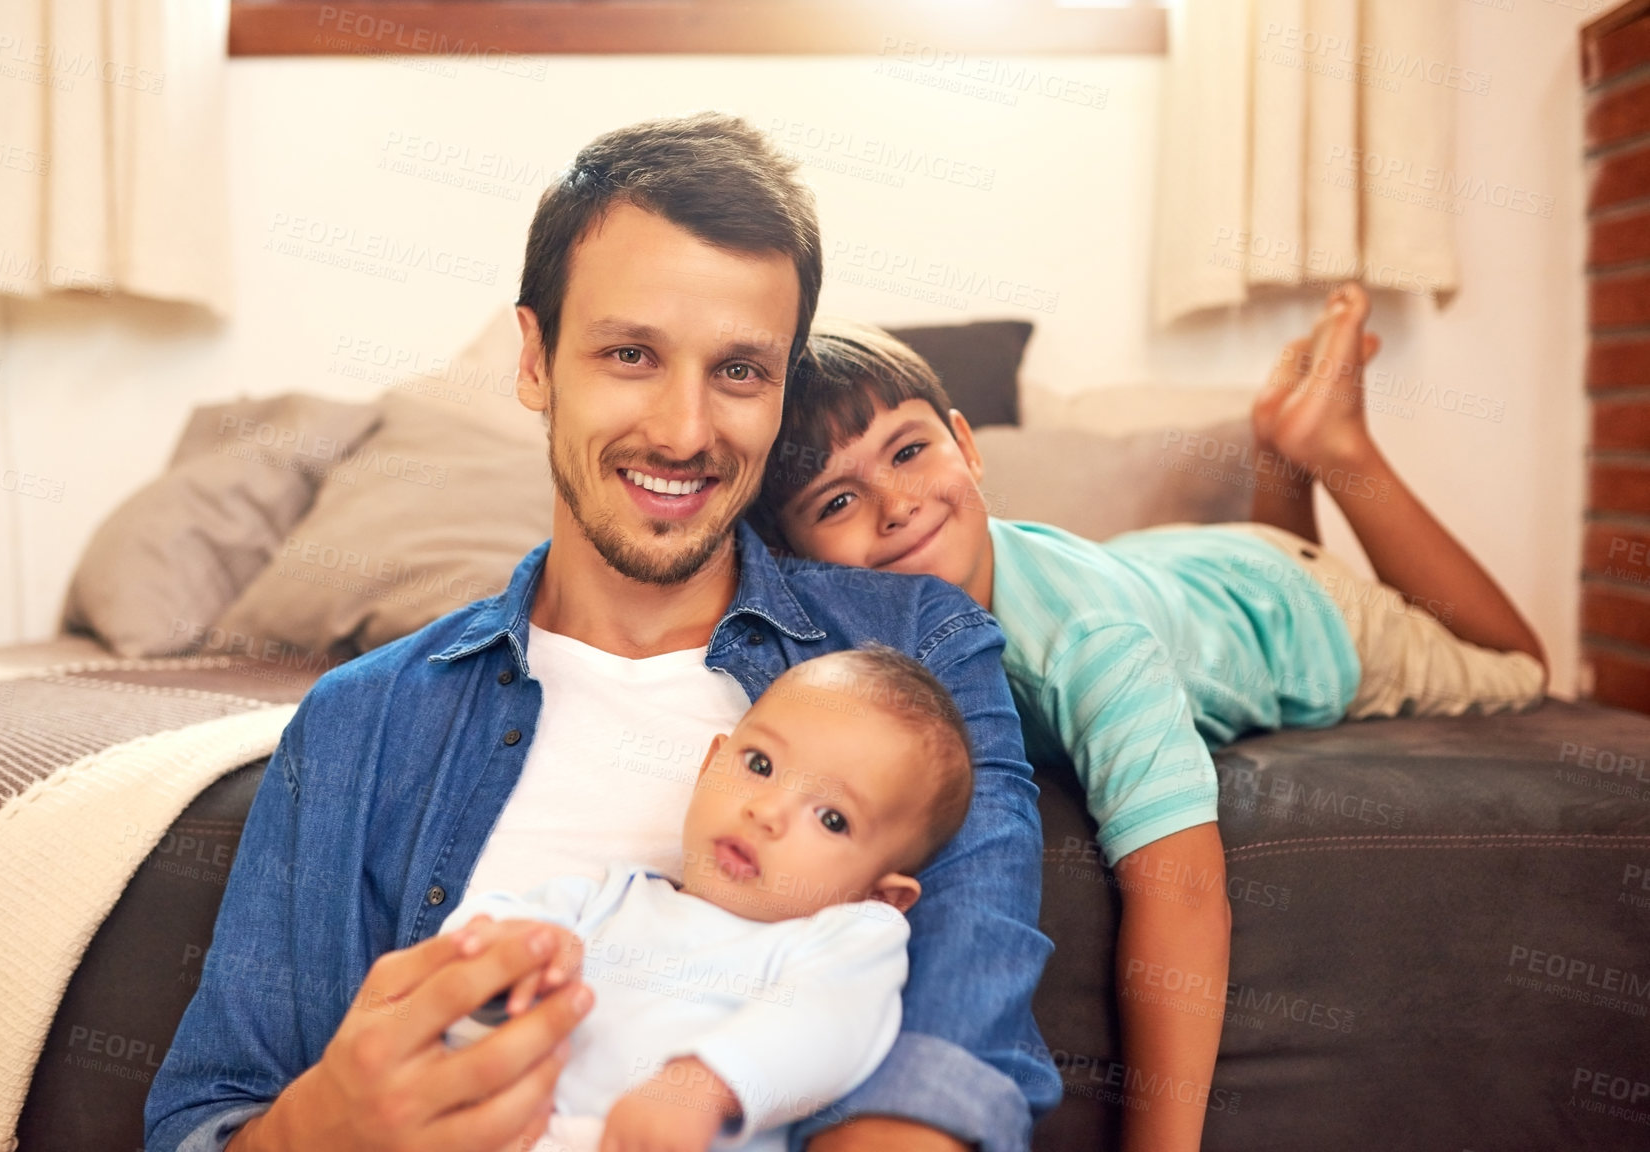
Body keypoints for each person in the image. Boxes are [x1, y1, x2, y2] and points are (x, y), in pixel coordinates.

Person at [145, 113, 1060, 1152]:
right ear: (534, 360)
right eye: (631, 353)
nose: (682, 431)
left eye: (740, 371)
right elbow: (206, 1114)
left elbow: (958, 1032)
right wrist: (318, 1129)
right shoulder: (361, 723)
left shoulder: (915, 653)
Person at [745, 287, 1545, 1152]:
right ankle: (1282, 450)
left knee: (1518, 663)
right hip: (1181, 565)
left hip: (1309, 614)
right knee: (1246, 570)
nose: (895, 505)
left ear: (966, 448)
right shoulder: (841, 640)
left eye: (908, 451)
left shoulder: (1091, 649)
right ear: (792, 561)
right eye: (835, 501)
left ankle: (1334, 445)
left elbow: (1186, 894)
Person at [439, 645, 974, 1152]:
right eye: (760, 765)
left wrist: (707, 1081)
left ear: (881, 894)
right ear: (709, 765)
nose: (766, 812)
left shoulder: (844, 938)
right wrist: (514, 953)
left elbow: (830, 1025)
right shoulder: (605, 899)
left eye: (831, 819)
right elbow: (472, 941)